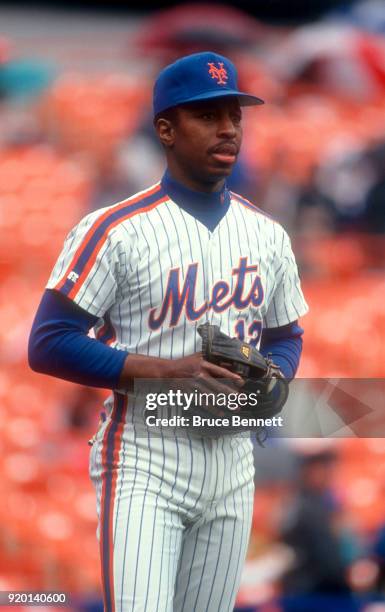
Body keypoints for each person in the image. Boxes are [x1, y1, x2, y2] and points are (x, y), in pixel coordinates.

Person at [29, 51, 308, 612]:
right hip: (146, 457)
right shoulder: (114, 229)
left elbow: (286, 334)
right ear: (166, 129)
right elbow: (48, 342)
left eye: (235, 115)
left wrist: (275, 376)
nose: (228, 128)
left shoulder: (268, 234)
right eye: (207, 115)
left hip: (232, 459)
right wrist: (164, 369)